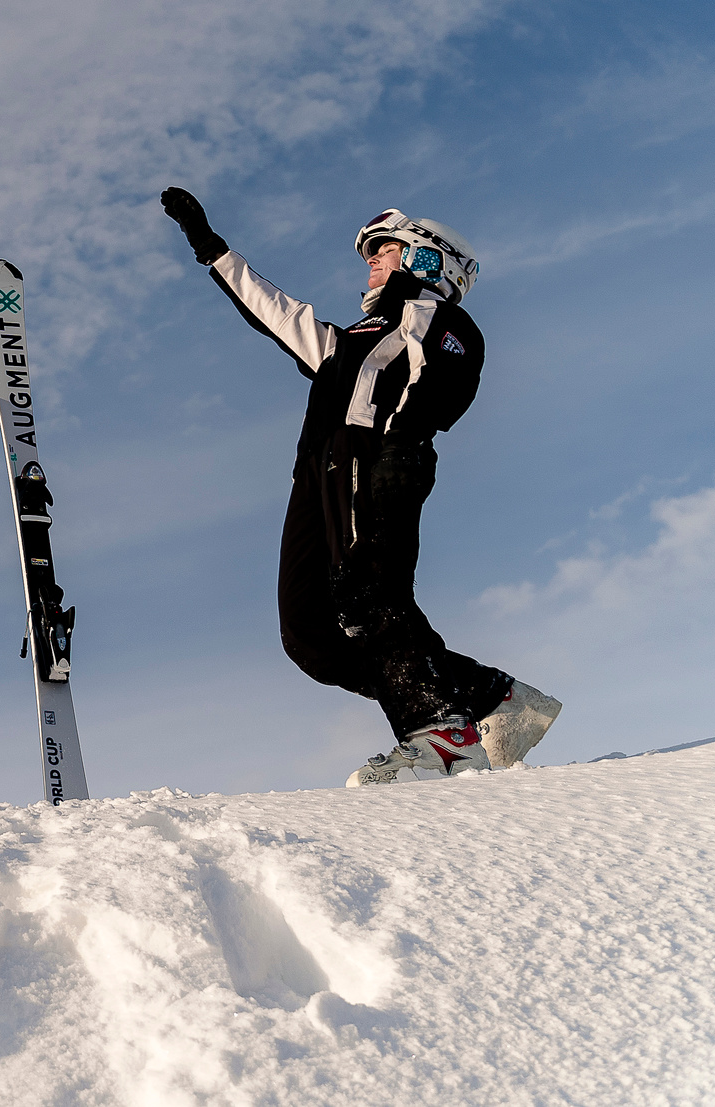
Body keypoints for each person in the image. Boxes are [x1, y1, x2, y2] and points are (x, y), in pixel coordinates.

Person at [157, 189, 562, 785]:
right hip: (317, 480)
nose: (370, 261)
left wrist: (403, 445)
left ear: (429, 259)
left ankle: (441, 733)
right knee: (310, 635)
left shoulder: (434, 316)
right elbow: (279, 314)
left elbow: (448, 378)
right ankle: (489, 697)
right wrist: (212, 249)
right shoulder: (351, 339)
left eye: (385, 249)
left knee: (369, 597)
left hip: (380, 464)